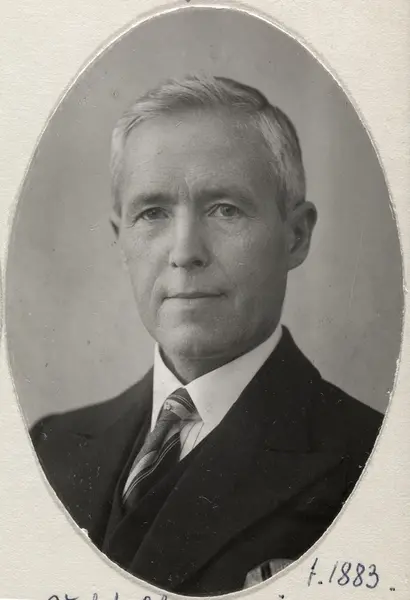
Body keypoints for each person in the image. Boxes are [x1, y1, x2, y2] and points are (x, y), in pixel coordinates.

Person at [31, 75, 382, 596]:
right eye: (152, 213)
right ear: (121, 240)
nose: (185, 252)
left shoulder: (373, 462)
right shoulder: (49, 448)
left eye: (225, 209)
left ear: (296, 236)